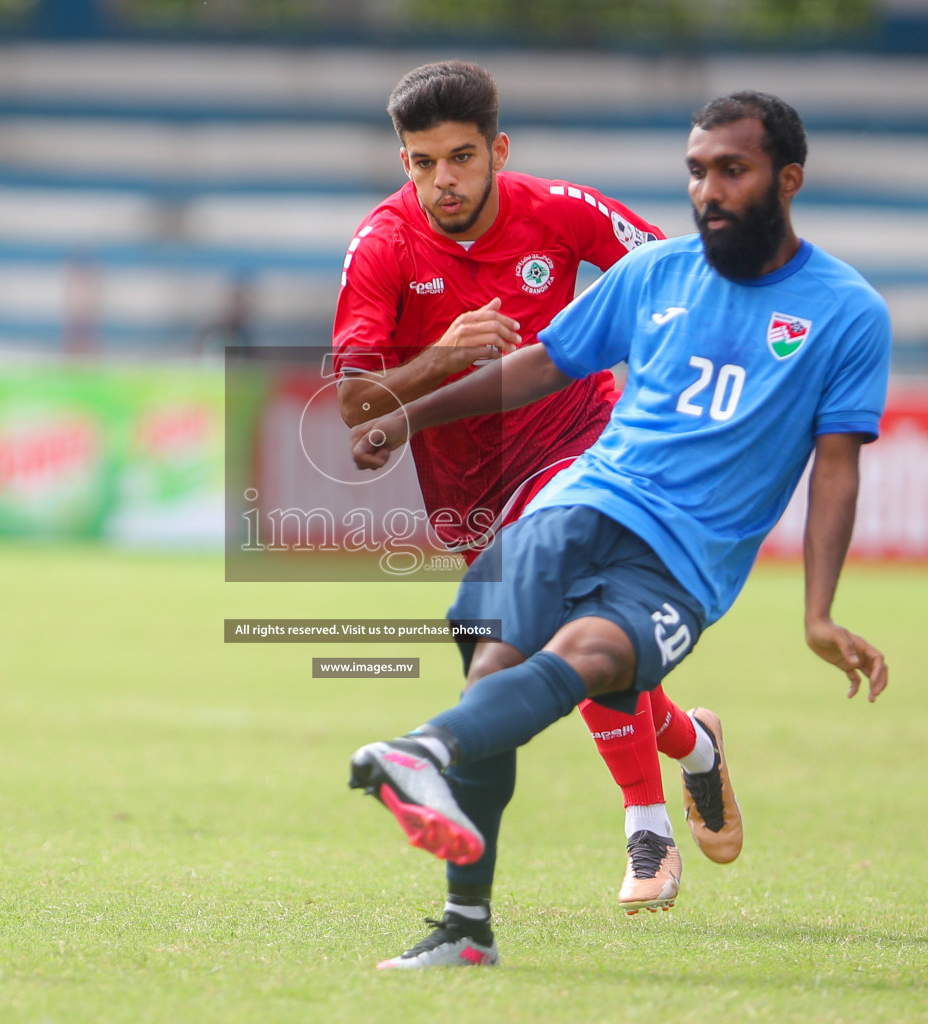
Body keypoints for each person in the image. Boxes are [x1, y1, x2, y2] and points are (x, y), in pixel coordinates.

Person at [346, 90, 891, 967]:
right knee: (493, 661)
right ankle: (465, 927)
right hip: (584, 502)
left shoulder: (848, 312)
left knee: (594, 658)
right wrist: (412, 414)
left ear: (787, 180)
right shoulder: (656, 275)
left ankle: (436, 757)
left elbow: (837, 464)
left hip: (683, 560)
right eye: (697, 171)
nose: (709, 190)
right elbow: (538, 365)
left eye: (732, 170)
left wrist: (818, 613)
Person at [331, 61, 741, 968]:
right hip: (467, 498)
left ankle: (639, 833)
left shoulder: (562, 210)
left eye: (463, 157)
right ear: (404, 161)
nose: (444, 180)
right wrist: (436, 359)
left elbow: (688, 282)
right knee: (568, 658)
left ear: (497, 151)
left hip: (585, 455)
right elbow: (355, 409)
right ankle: (692, 742)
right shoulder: (383, 245)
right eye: (424, 161)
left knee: (525, 647)